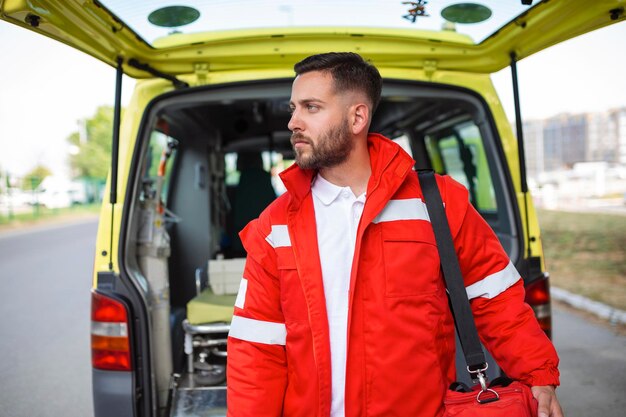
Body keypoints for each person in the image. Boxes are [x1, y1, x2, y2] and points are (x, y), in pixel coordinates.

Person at [226, 52, 563, 417]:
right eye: (294, 108)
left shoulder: (438, 201)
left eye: (311, 107)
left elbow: (495, 299)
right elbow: (257, 348)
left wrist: (538, 376)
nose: (293, 121)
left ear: (357, 117)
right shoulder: (274, 226)